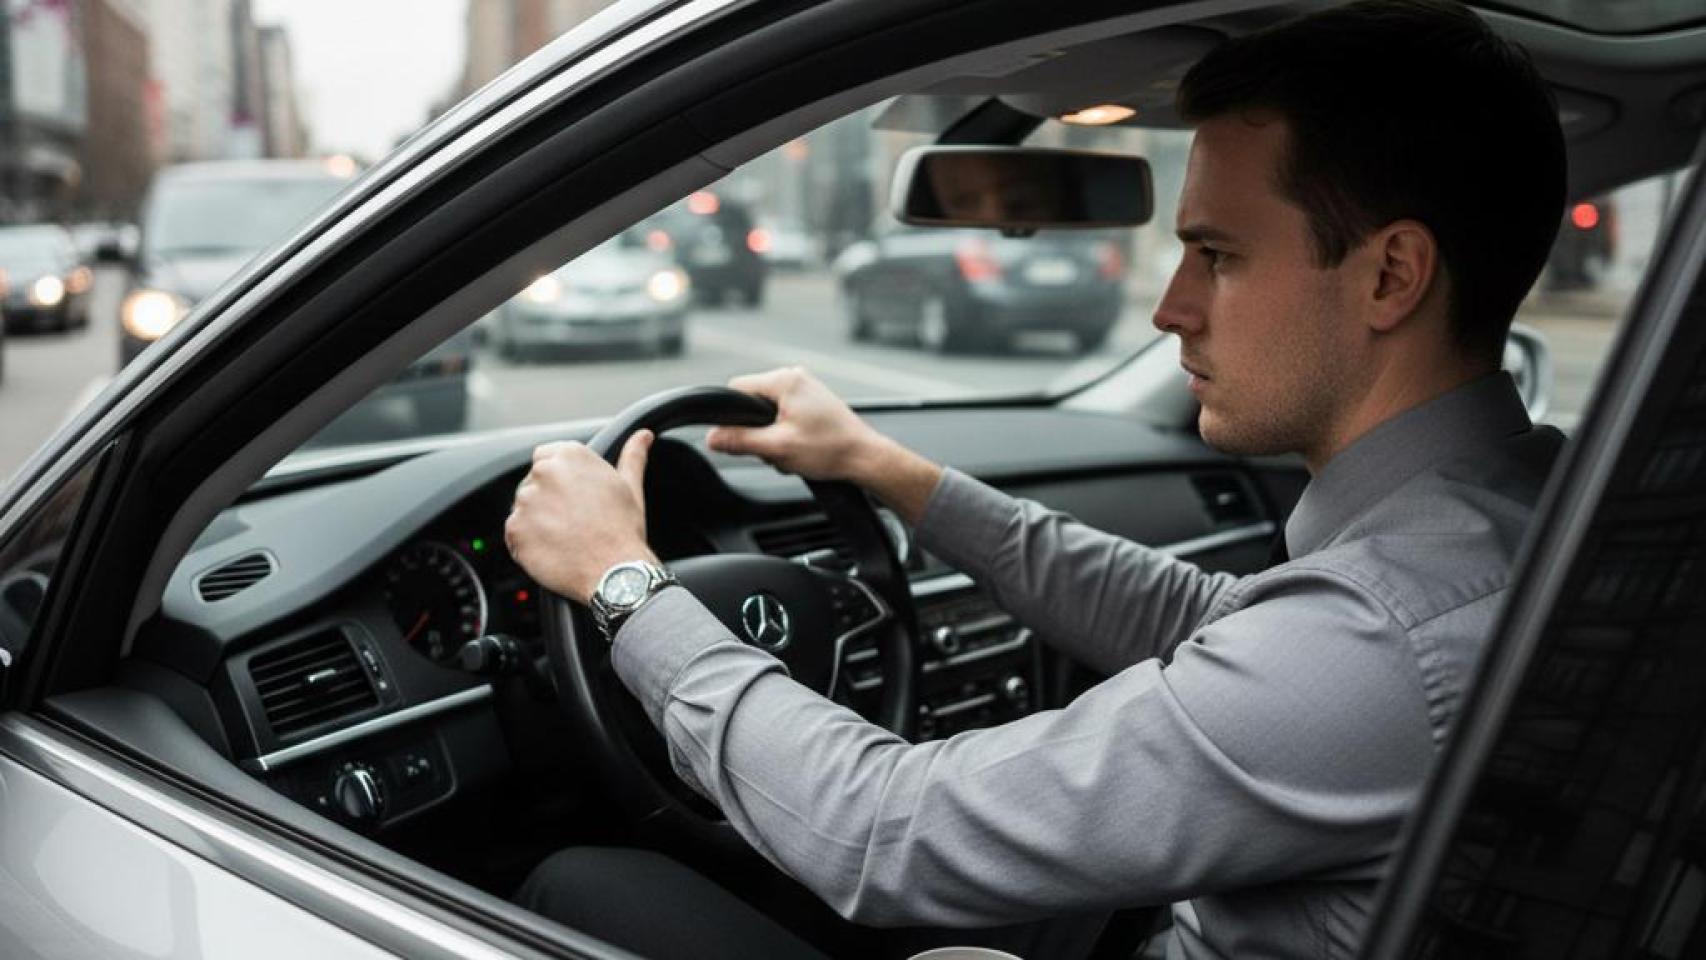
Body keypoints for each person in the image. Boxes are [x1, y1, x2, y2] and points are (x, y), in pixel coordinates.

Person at [503, 1, 1568, 956]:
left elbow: (884, 834)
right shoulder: (1526, 513)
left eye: (1217, 255)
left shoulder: (1377, 637)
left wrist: (624, 584)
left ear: (1389, 275)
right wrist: (887, 469)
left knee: (576, 884)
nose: (1169, 309)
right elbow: (1206, 620)